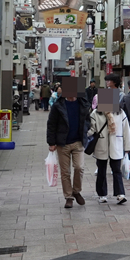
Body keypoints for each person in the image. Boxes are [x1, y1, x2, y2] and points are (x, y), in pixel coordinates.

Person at [46, 79, 91, 208]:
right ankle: (68, 196)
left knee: (79, 167)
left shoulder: (83, 104)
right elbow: (51, 124)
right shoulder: (58, 105)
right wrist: (51, 142)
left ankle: (76, 191)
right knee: (65, 172)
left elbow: (87, 120)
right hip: (62, 143)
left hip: (78, 141)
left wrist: (86, 131)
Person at [88, 94, 130, 204]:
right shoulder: (95, 113)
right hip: (101, 145)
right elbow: (91, 130)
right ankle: (102, 194)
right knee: (101, 171)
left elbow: (126, 130)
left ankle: (120, 194)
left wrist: (128, 147)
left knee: (117, 170)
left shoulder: (120, 113)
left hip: (116, 145)